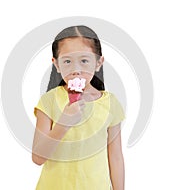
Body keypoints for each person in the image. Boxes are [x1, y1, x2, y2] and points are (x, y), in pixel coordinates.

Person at [32, 25, 125, 190]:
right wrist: (64, 122)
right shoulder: (48, 101)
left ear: (98, 63)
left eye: (84, 60)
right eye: (67, 61)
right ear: (57, 65)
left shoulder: (111, 104)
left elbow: (115, 157)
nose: (76, 69)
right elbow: (38, 157)